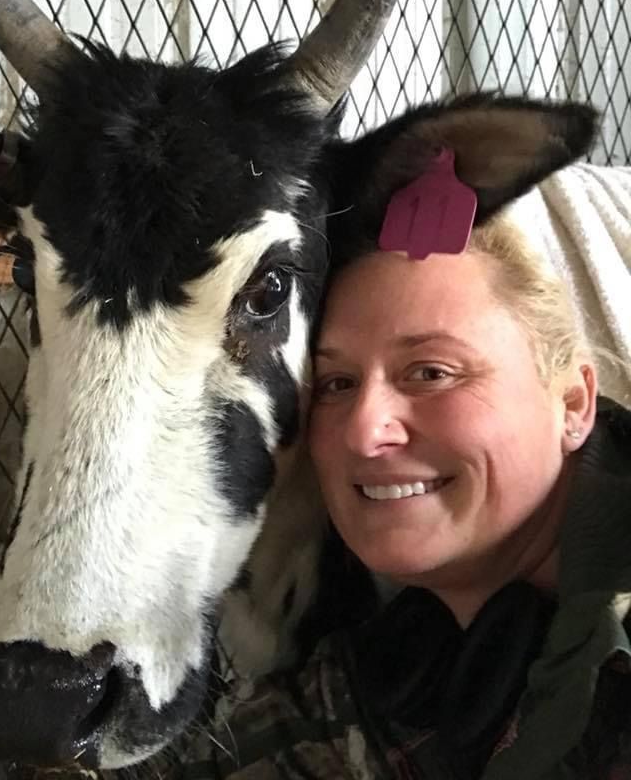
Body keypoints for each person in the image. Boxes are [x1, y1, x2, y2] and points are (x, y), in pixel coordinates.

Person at [171, 214, 631, 780]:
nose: (363, 431)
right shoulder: (379, 674)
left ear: (574, 404)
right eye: (337, 383)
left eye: (431, 372)